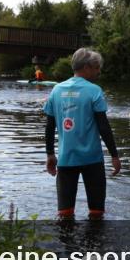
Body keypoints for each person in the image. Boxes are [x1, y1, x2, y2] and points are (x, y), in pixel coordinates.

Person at [43, 48, 121, 219]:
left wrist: (50, 154)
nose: (98, 71)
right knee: (97, 213)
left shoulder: (56, 90)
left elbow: (50, 126)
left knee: (64, 214)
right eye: (96, 67)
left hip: (65, 159)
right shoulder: (94, 91)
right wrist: (114, 155)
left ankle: (66, 245)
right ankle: (94, 244)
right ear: (86, 67)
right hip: (92, 160)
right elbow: (104, 127)